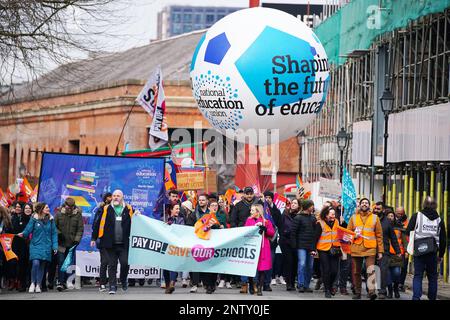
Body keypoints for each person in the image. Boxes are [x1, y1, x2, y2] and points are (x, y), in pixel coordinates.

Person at [91, 189, 134, 294]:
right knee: (112, 265)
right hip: (110, 243)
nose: (115, 197)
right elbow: (97, 224)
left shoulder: (128, 208)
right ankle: (112, 286)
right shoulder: (105, 209)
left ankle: (123, 280)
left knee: (125, 264)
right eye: (114, 195)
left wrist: (137, 215)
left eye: (118, 196)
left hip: (124, 243)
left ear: (122, 197)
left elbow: (136, 223)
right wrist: (93, 238)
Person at [406, 196, 447, 300]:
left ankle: (416, 297)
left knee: (418, 276)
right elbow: (443, 240)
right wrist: (441, 255)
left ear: (424, 204)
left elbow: (408, 231)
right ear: (435, 205)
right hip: (433, 253)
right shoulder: (439, 220)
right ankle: (432, 298)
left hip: (419, 251)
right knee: (433, 278)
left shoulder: (417, 216)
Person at [347, 198, 384, 300]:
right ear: (359, 205)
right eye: (362, 203)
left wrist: (380, 251)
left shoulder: (375, 218)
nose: (364, 204)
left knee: (371, 270)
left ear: (369, 205)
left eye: (366, 203)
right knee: (356, 272)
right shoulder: (353, 218)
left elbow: (379, 235)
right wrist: (354, 235)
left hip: (370, 248)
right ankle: (358, 292)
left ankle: (371, 292)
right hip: (356, 248)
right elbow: (348, 233)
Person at [18, 202, 58, 293]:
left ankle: (38, 285)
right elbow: (28, 229)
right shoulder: (34, 219)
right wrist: (23, 234)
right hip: (35, 245)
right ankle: (32, 283)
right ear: (42, 209)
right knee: (35, 263)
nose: (48, 209)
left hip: (46, 246)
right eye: (47, 207)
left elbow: (54, 234)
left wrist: (55, 246)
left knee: (42, 266)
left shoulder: (51, 220)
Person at [230, 187, 263, 294]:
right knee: (243, 260)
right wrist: (236, 231)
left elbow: (264, 217)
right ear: (244, 194)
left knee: (253, 261)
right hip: (242, 236)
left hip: (255, 237)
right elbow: (233, 220)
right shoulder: (238, 205)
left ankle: (254, 283)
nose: (249, 196)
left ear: (253, 194)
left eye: (251, 193)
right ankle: (244, 283)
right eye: (247, 194)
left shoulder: (258, 204)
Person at [244, 204, 275, 296]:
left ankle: (260, 288)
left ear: (258, 212)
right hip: (251, 246)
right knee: (250, 266)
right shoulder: (249, 220)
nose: (251, 212)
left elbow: (272, 233)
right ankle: (251, 284)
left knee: (262, 268)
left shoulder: (266, 221)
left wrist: (265, 229)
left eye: (253, 210)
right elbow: (245, 231)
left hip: (263, 246)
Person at [54, 197, 84, 291]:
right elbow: (53, 226)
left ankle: (68, 281)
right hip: (61, 243)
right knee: (61, 262)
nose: (69, 208)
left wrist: (76, 240)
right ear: (64, 205)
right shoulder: (58, 214)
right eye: (68, 206)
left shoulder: (78, 215)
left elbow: (80, 229)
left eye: (71, 207)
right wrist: (59, 234)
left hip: (72, 243)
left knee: (69, 263)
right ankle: (61, 282)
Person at [373, 203, 401, 299]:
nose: (376, 210)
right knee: (370, 269)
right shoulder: (371, 219)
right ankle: (371, 290)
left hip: (384, 249)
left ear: (383, 210)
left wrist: (398, 251)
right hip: (371, 248)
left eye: (378, 209)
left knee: (383, 270)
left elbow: (393, 238)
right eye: (375, 208)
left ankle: (382, 291)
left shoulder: (387, 222)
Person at [290, 199, 317, 293]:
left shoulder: (313, 218)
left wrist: (314, 246)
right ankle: (300, 284)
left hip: (311, 246)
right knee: (302, 264)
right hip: (301, 246)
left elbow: (315, 233)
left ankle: (306, 285)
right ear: (306, 206)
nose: (313, 207)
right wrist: (294, 245)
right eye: (311, 205)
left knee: (310, 266)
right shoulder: (298, 218)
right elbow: (293, 232)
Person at [315, 206, 341, 298]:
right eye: (331, 214)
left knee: (334, 271)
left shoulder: (337, 222)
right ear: (326, 215)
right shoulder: (320, 223)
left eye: (334, 214)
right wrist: (312, 249)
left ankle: (330, 287)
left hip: (334, 250)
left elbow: (342, 233)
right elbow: (315, 237)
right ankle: (327, 290)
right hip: (323, 249)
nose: (333, 216)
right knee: (326, 270)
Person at [91, 192, 112, 292]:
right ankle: (102, 283)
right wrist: (93, 238)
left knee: (112, 262)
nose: (111, 198)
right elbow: (96, 224)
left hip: (113, 241)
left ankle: (112, 283)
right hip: (103, 240)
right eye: (109, 197)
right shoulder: (101, 210)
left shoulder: (117, 210)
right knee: (104, 262)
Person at [163, 203, 185, 294]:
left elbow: (182, 230)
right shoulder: (164, 218)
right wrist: (165, 224)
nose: (178, 210)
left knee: (174, 264)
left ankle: (172, 283)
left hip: (175, 246)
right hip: (165, 245)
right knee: (165, 266)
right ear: (171, 210)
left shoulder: (181, 219)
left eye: (179, 209)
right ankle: (168, 285)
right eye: (176, 208)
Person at [262, 191, 282, 291]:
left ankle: (267, 283)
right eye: (266, 197)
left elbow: (279, 223)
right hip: (262, 239)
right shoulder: (261, 209)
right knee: (261, 262)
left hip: (272, 240)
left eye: (269, 197)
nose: (267, 199)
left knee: (270, 261)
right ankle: (259, 282)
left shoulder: (276, 210)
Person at [280, 198, 300, 291]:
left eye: (295, 203)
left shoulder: (300, 216)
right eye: (292, 202)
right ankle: (288, 283)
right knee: (289, 262)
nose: (293, 204)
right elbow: (280, 225)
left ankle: (293, 282)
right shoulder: (285, 213)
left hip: (296, 242)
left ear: (299, 206)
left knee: (295, 263)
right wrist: (284, 234)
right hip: (286, 241)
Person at [182, 199, 201, 293]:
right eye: (200, 200)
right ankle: (195, 283)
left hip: (209, 241)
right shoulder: (194, 214)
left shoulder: (210, 214)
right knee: (195, 262)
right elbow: (188, 226)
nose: (201, 201)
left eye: (203, 200)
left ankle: (209, 284)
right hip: (196, 240)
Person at [10, 201, 31, 292]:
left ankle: (27, 282)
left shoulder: (34, 218)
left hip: (31, 245)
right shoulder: (19, 218)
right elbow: (14, 230)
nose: (28, 210)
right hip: (19, 244)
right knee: (20, 264)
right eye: (26, 208)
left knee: (28, 264)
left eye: (29, 208)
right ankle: (20, 282)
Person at [386, 210, 406, 299]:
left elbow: (404, 241)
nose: (390, 217)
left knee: (397, 273)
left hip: (397, 254)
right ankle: (390, 291)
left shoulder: (399, 227)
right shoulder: (383, 226)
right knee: (388, 274)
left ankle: (396, 288)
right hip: (386, 253)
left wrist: (405, 251)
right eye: (389, 216)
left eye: (392, 216)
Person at [0, 205, 14, 292]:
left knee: (1, 265)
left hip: (3, 246)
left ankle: (2, 280)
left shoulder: (6, 222)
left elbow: (10, 233)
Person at [395, 206, 409, 292]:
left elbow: (407, 236)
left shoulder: (407, 221)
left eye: (401, 213)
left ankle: (401, 284)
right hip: (394, 249)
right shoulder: (392, 220)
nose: (400, 215)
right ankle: (395, 283)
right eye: (398, 213)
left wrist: (407, 250)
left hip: (404, 249)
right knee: (395, 268)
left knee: (404, 267)